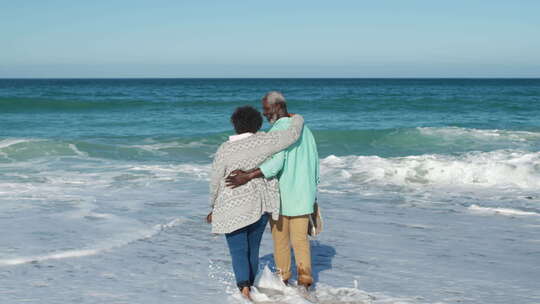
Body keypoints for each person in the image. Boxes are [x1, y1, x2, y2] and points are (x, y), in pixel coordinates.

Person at [208, 105, 305, 300]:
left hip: (231, 205)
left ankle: (244, 289)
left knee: (238, 251)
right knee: (253, 249)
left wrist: (213, 206)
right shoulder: (266, 140)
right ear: (257, 124)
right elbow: (293, 134)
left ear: (235, 125)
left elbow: (215, 180)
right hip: (260, 205)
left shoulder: (225, 149)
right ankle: (250, 288)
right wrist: (297, 118)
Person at [226, 91, 320, 290]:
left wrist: (248, 175)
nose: (264, 114)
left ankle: (283, 281)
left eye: (267, 109)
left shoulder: (278, 133)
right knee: (301, 241)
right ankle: (305, 283)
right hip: (304, 195)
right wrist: (313, 196)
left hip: (282, 196)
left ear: (277, 107)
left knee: (281, 241)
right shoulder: (306, 130)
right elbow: (315, 164)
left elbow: (276, 163)